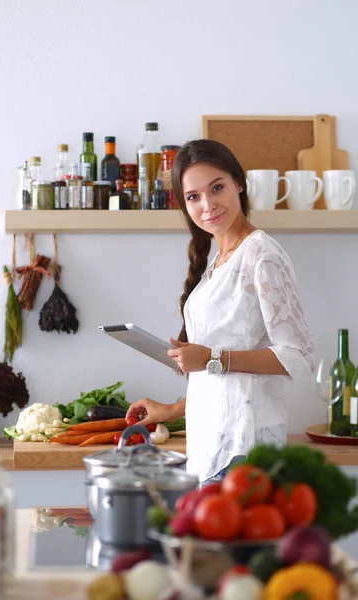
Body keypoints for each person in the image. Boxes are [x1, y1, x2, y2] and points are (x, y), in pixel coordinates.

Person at [127, 139, 315, 485]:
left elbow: (299, 357)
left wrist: (212, 357)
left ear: (238, 184)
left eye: (217, 188)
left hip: (245, 450)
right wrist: (171, 410)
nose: (208, 205)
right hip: (213, 445)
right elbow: (225, 381)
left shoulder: (262, 256)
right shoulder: (220, 260)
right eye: (193, 197)